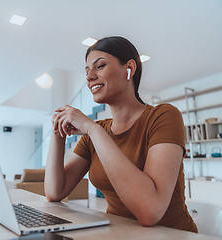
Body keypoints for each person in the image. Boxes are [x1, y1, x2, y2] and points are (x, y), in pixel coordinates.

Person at [44, 36, 197, 232]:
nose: (89, 77)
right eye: (87, 70)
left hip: (171, 236)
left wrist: (92, 128)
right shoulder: (97, 131)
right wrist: (58, 132)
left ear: (129, 69)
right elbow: (55, 192)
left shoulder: (163, 116)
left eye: (99, 66)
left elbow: (150, 211)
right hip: (119, 233)